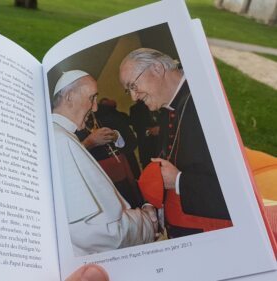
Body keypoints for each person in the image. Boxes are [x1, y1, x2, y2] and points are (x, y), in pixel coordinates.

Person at [119, 48, 232, 238]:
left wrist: (179, 180)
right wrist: (152, 203)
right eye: (128, 89)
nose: (133, 97)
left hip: (212, 233)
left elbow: (235, 186)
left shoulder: (206, 101)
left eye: (133, 85)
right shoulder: (168, 110)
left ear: (156, 68)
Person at [51, 70, 158, 256]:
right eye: (92, 98)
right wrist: (147, 221)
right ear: (69, 97)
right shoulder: (61, 140)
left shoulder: (60, 134)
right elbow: (101, 233)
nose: (94, 108)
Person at [129, 100, 161, 169]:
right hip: (146, 145)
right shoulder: (135, 108)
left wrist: (161, 128)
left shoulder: (158, 102)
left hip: (161, 143)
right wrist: (149, 130)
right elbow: (136, 127)